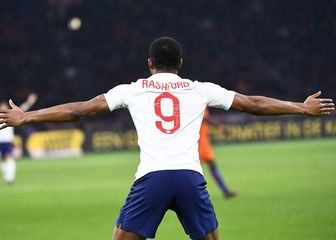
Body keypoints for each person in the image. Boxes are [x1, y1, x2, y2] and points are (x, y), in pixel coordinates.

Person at [0, 37, 334, 240]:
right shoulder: (200, 89)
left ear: (149, 64)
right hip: (190, 178)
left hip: (151, 180)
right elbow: (255, 105)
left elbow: (79, 111)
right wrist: (301, 108)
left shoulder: (131, 90)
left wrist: (27, 115)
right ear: (180, 64)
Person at [0, 93, 38, 184]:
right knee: (4, 159)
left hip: (7, 140)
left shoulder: (11, 116)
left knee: (8, 158)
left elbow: (22, 110)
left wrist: (29, 102)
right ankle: (7, 176)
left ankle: (9, 178)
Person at [199, 108, 236, 198]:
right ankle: (225, 190)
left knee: (208, 167)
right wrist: (221, 127)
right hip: (200, 144)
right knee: (202, 169)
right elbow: (208, 119)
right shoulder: (200, 103)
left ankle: (225, 190)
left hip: (201, 142)